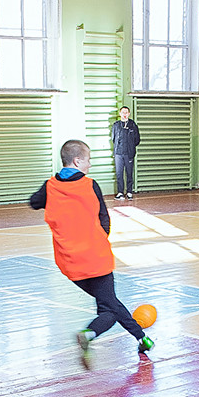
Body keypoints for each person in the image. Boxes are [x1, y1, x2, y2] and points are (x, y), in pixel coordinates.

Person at [30, 139, 154, 362]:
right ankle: (89, 334)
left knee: (110, 302)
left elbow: (34, 202)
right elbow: (104, 219)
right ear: (77, 161)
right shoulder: (90, 185)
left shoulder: (50, 186)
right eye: (88, 160)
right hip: (96, 258)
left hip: (70, 264)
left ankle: (142, 338)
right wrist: (97, 239)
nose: (90, 165)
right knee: (108, 310)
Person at [110, 106, 140, 200]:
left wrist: (130, 146)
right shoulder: (116, 125)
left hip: (129, 153)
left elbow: (137, 140)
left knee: (129, 173)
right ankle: (120, 192)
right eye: (123, 112)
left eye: (126, 112)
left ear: (129, 114)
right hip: (118, 153)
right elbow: (113, 138)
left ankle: (129, 192)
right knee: (119, 174)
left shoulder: (133, 125)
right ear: (120, 114)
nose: (125, 114)